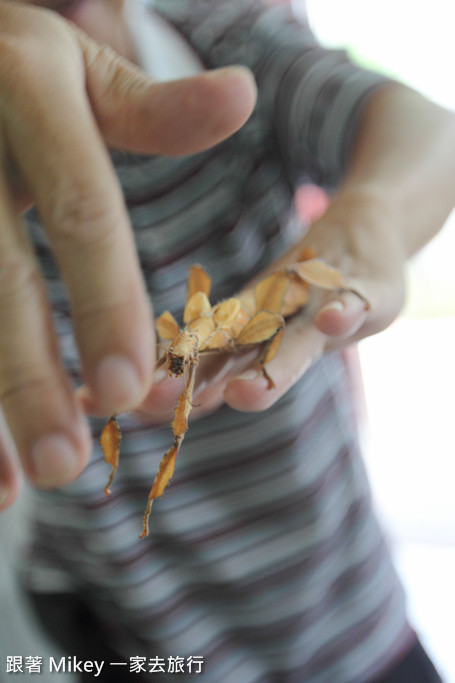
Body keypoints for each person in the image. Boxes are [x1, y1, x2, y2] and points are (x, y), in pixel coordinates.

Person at [0, 0, 453, 680]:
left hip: (334, 604)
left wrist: (372, 219)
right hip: (113, 613)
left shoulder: (231, 45)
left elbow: (426, 132)